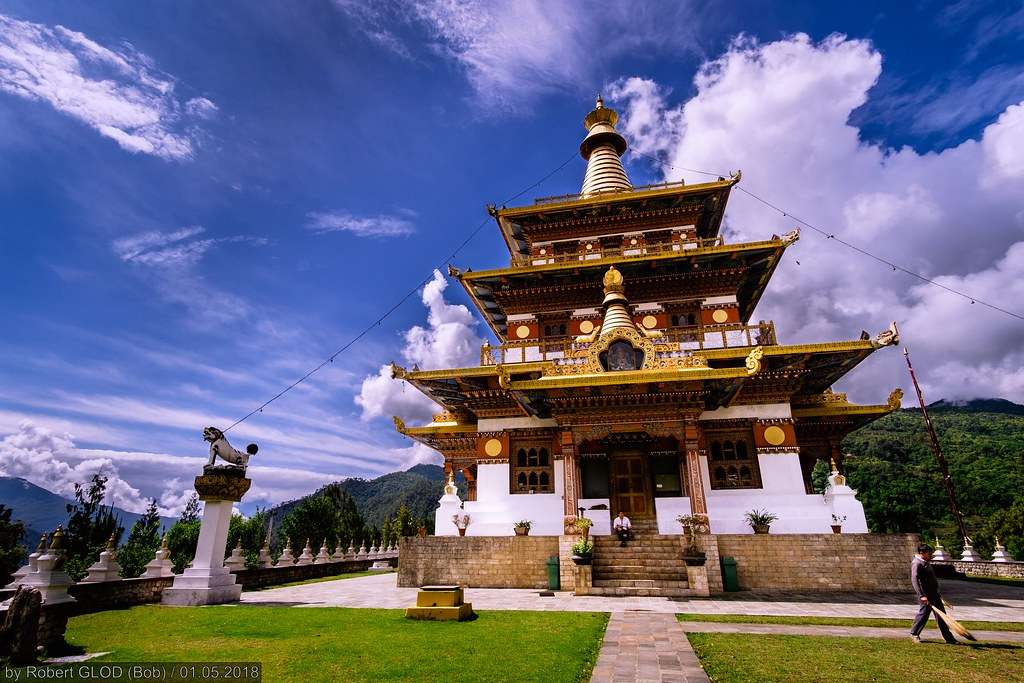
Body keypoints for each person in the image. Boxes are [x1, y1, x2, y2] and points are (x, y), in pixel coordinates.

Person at [910, 543, 957, 644]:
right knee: (923, 615)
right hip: (926, 596)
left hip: (934, 594)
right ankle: (914, 633)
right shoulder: (917, 563)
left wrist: (937, 592)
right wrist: (921, 595)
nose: (930, 555)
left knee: (942, 616)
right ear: (922, 553)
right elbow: (915, 580)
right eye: (929, 553)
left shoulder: (926, 562)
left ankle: (949, 638)